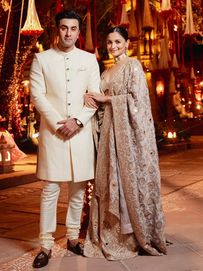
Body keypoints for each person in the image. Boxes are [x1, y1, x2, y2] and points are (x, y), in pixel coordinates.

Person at [83, 26, 167, 260]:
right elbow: (99, 101)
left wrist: (107, 98)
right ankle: (112, 233)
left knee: (126, 178)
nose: (113, 46)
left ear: (127, 43)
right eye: (109, 42)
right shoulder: (106, 72)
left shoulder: (133, 66)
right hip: (110, 131)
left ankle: (133, 234)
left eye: (118, 42)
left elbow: (137, 101)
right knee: (110, 180)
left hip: (128, 135)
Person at [29, 10, 100, 268]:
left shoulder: (89, 59)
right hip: (53, 132)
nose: (68, 33)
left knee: (78, 189)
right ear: (56, 30)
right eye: (63, 28)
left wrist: (77, 121)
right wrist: (58, 122)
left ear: (79, 32)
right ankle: (45, 244)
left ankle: (72, 238)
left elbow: (95, 95)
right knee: (50, 190)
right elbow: (37, 96)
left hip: (80, 133)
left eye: (73, 28)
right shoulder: (42, 59)